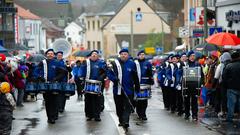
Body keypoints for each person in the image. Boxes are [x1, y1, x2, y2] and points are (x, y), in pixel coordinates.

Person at [107, 48, 140, 130]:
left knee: (128, 106)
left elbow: (135, 76)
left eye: (125, 54)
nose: (123, 55)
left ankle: (126, 121)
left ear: (128, 55)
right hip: (117, 90)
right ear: (120, 55)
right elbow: (109, 73)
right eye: (122, 54)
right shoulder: (114, 63)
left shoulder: (132, 64)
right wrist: (114, 78)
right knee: (119, 107)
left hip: (129, 89)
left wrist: (137, 86)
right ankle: (121, 120)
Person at [35, 49, 66, 124]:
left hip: (54, 85)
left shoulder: (57, 63)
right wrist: (40, 77)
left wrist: (56, 79)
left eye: (51, 53)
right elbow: (36, 71)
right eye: (48, 53)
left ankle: (53, 116)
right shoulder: (42, 63)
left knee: (54, 101)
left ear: (54, 55)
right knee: (47, 101)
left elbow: (63, 72)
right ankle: (49, 117)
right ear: (46, 55)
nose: (50, 55)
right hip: (45, 85)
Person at [80, 50, 107, 122]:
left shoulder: (101, 62)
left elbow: (105, 72)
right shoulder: (86, 62)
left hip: (98, 83)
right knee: (88, 100)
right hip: (88, 83)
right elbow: (82, 70)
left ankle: (97, 115)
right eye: (93, 54)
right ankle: (89, 115)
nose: (94, 55)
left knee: (97, 100)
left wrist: (101, 77)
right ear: (90, 55)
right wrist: (81, 77)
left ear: (98, 56)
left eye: (96, 54)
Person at [183, 50, 204, 121]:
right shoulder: (185, 64)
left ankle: (195, 115)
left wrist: (201, 83)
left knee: (194, 101)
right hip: (187, 85)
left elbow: (201, 74)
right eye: (191, 56)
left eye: (193, 56)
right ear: (188, 57)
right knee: (186, 100)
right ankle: (187, 114)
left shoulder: (197, 64)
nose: (192, 57)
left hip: (195, 85)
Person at [134, 50, 153, 120]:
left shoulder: (147, 63)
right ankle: (139, 113)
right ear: (138, 56)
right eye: (141, 54)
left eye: (143, 54)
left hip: (145, 83)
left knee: (144, 100)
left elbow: (150, 73)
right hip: (137, 84)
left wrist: (151, 80)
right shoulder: (135, 63)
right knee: (138, 100)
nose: (142, 56)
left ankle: (143, 114)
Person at [222, 51, 240, 123]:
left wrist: (226, 86)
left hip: (231, 88)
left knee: (231, 104)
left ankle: (230, 118)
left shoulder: (229, 66)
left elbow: (224, 77)